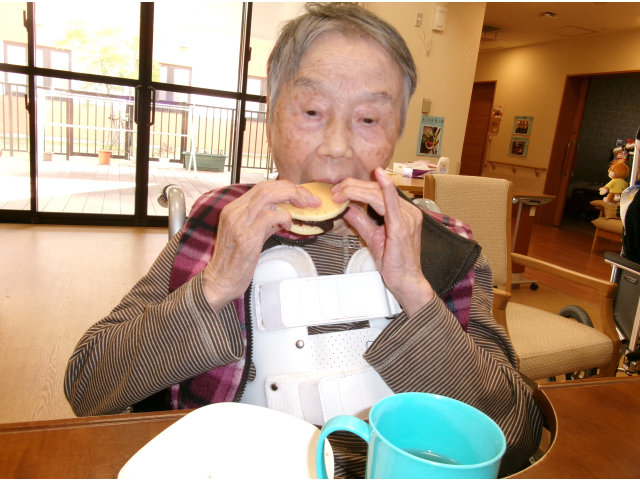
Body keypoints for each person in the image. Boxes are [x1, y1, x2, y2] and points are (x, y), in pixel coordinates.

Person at [64, 3, 542, 477]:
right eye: (311, 111)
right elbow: (88, 387)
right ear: (270, 118)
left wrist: (416, 293)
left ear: (396, 131)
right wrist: (214, 286)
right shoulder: (220, 224)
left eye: (369, 119)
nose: (336, 147)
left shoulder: (445, 246)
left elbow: (518, 435)